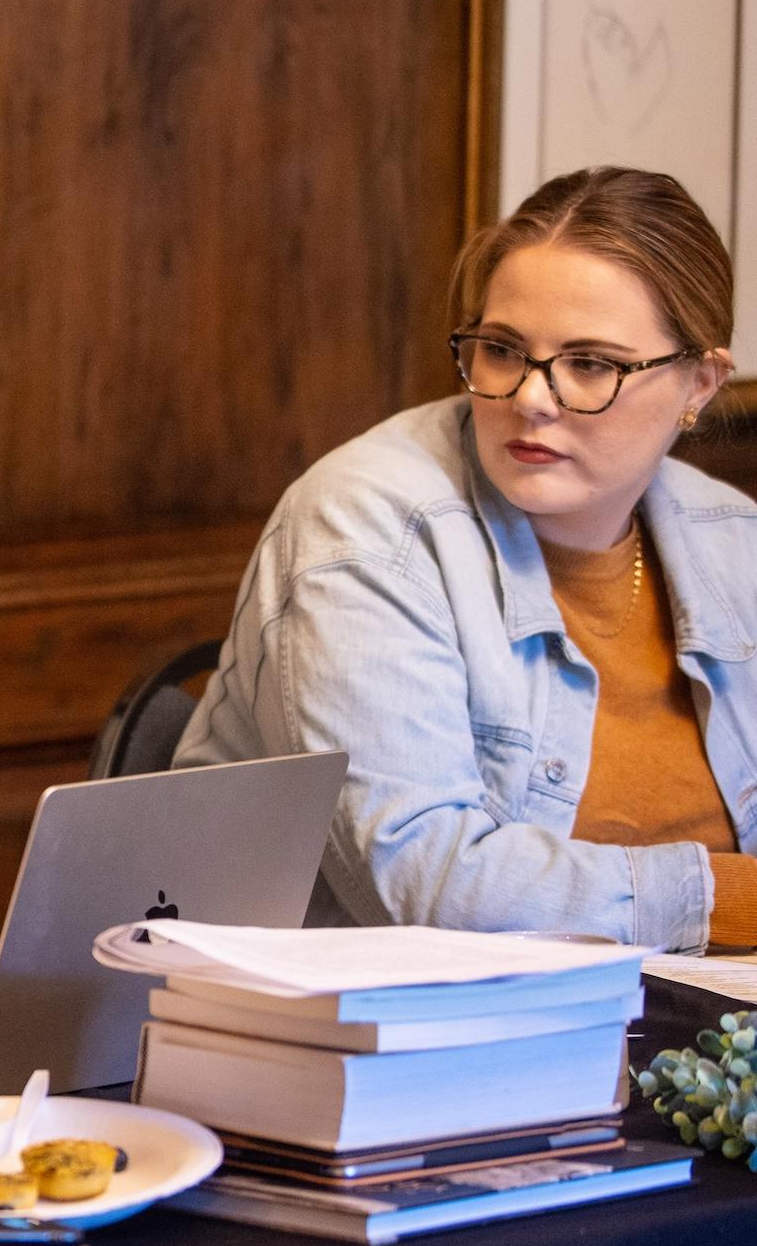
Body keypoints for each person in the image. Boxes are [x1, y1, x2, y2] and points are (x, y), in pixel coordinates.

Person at [176, 165, 757, 945]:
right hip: (385, 1045)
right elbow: (422, 877)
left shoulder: (733, 536)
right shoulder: (364, 525)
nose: (531, 397)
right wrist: (722, 897)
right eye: (502, 349)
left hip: (689, 1039)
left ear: (700, 383)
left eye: (590, 364)